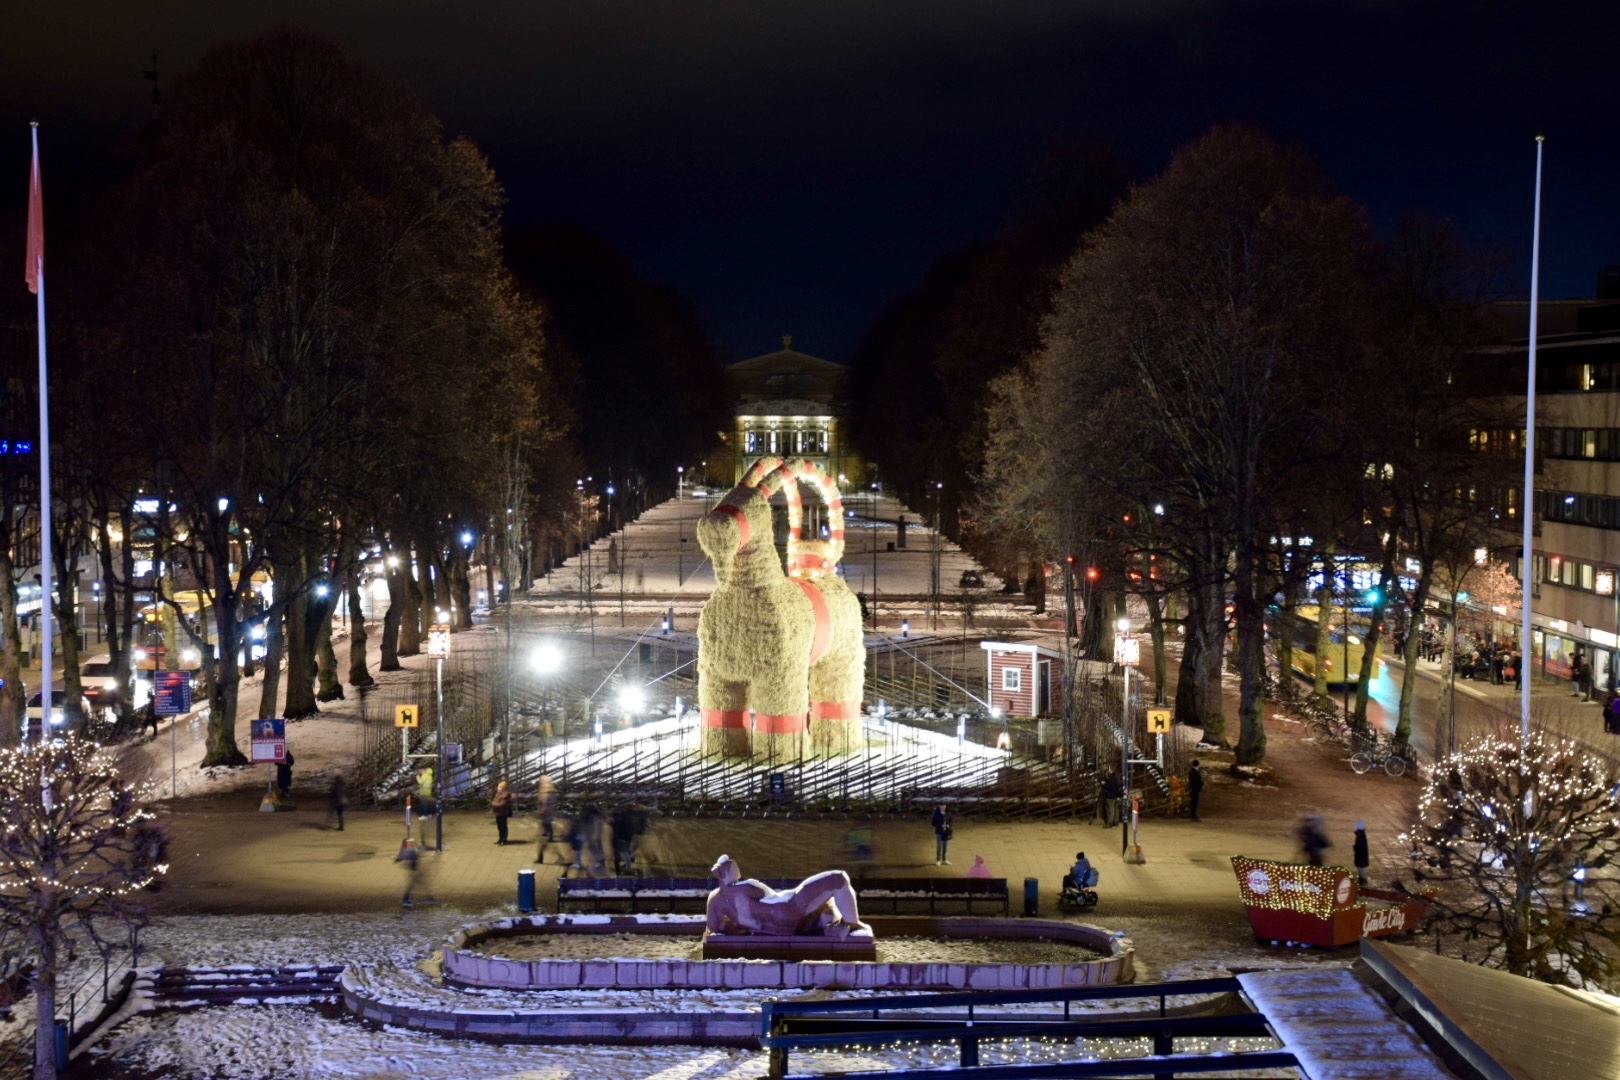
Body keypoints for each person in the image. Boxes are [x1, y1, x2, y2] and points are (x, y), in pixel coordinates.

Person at [705, 854, 869, 938]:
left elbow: (715, 928)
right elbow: (766, 895)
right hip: (786, 910)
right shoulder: (746, 887)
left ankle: (829, 922)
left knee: (825, 908)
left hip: (772, 928)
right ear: (731, 871)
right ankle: (851, 924)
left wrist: (742, 927)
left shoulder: (715, 899)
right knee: (838, 879)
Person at [536, 775, 558, 864]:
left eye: (541, 781)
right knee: (547, 831)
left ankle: (541, 857)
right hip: (549, 814)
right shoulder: (552, 791)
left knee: (542, 838)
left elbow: (544, 804)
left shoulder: (546, 792)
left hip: (545, 815)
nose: (540, 782)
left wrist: (541, 812)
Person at [396, 837, 420, 907]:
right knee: (412, 885)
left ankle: (406, 899)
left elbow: (401, 858)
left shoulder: (409, 849)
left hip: (413, 868)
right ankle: (406, 899)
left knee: (413, 885)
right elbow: (403, 857)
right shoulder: (408, 850)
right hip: (412, 869)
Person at [491, 780, 513, 845]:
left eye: (499, 787)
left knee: (503, 826)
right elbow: (495, 801)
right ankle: (500, 839)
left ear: (503, 788)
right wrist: (494, 803)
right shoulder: (498, 793)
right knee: (499, 826)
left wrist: (493, 804)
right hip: (498, 812)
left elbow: (501, 804)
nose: (498, 788)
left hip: (503, 812)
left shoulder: (506, 794)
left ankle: (504, 840)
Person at [1353, 821, 1370, 887]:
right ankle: (1362, 883)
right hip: (1361, 857)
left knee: (1361, 870)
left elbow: (1359, 846)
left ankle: (1363, 884)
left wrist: (1355, 847)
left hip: (1360, 857)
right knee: (1361, 870)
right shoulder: (1361, 834)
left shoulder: (1360, 835)